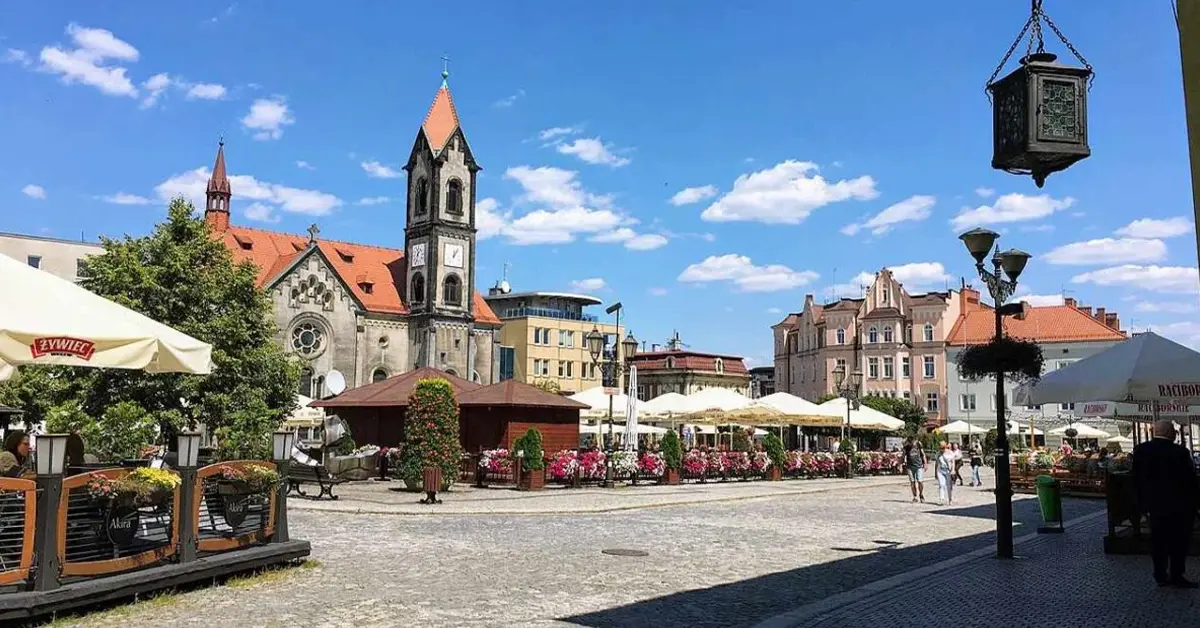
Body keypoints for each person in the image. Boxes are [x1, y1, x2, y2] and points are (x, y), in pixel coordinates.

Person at [1133, 420, 1199, 588]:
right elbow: (1189, 481)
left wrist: (1142, 504)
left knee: (1158, 541)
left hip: (1153, 505)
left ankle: (1160, 574)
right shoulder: (1180, 452)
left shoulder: (1141, 450)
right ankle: (1177, 575)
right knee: (1179, 542)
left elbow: (1136, 480)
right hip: (1179, 505)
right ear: (1171, 432)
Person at [902, 437, 926, 503]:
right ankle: (915, 496)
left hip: (919, 466)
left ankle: (921, 494)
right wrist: (901, 464)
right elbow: (903, 455)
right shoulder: (906, 447)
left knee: (920, 481)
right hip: (910, 466)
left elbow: (923, 454)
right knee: (912, 482)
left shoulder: (918, 444)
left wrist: (925, 464)